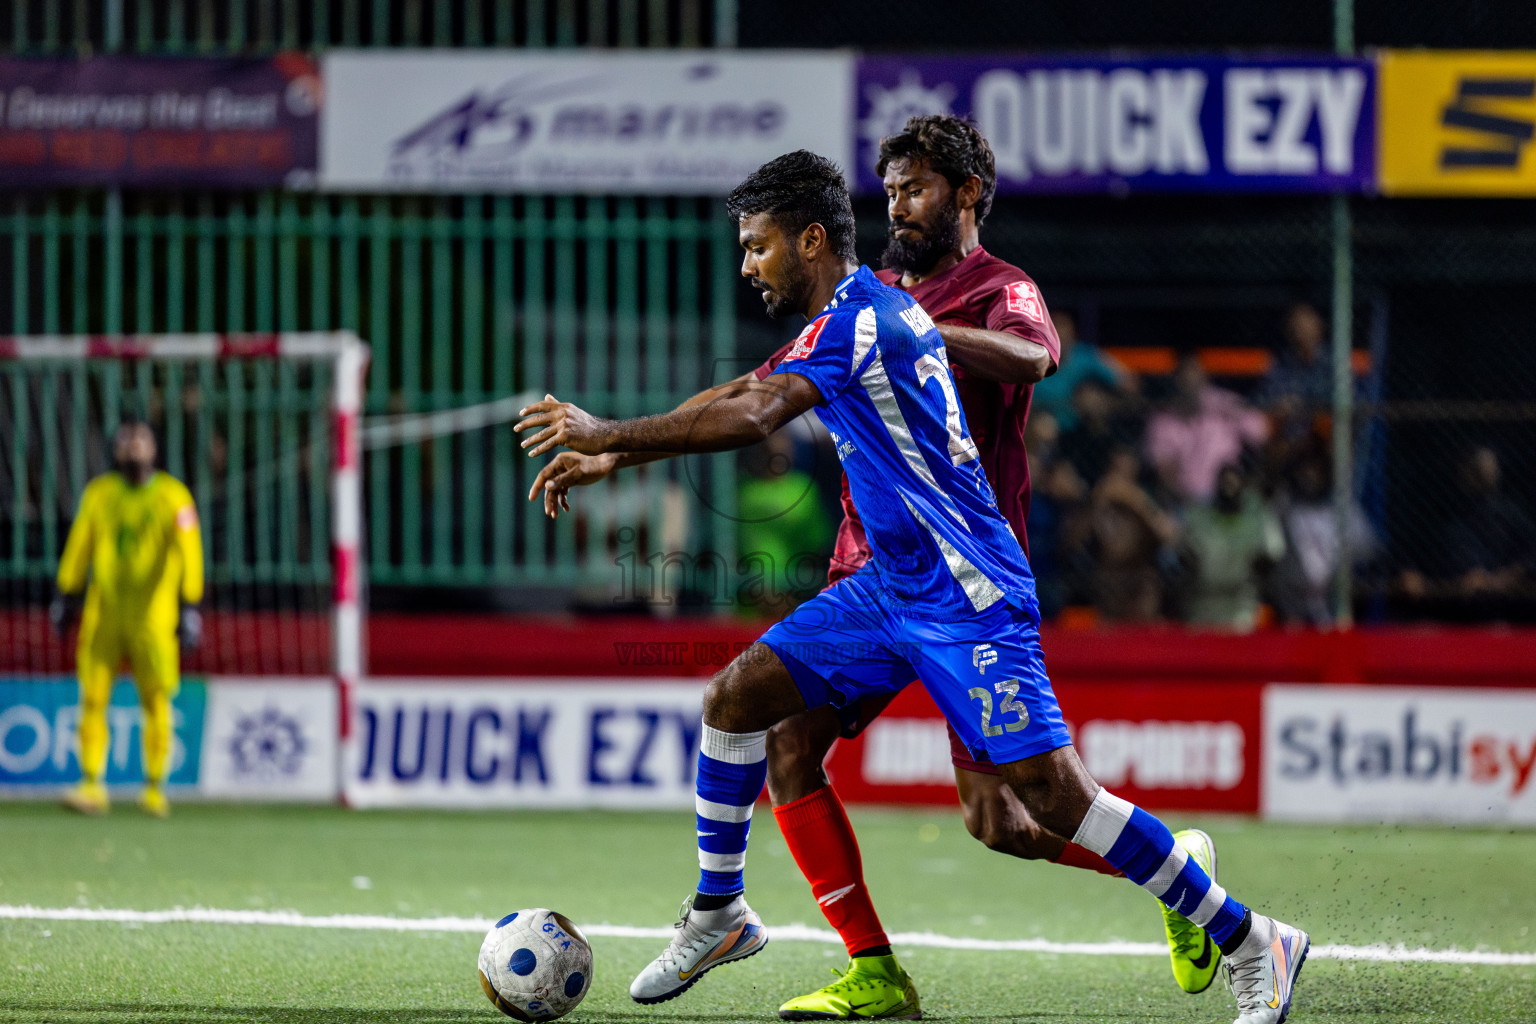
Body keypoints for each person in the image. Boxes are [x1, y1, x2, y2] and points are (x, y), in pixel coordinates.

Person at [515, 150, 1310, 1024]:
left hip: (965, 591)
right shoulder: (849, 316)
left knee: (1043, 799)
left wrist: (607, 427)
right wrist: (616, 452)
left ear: (809, 239)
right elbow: (748, 388)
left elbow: (754, 413)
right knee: (737, 701)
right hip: (886, 587)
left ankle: (1246, 936)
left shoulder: (868, 319)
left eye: (757, 246)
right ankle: (720, 911)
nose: (746, 266)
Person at [50, 420, 204, 818]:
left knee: (156, 700)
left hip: (154, 616)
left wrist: (190, 606)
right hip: (104, 613)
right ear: (116, 450)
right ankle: (90, 784)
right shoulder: (99, 494)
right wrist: (67, 593)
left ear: (154, 448)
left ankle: (154, 788)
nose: (134, 446)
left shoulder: (174, 497)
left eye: (141, 439)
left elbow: (190, 553)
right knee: (93, 697)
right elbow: (80, 543)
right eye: (126, 440)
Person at [1145, 352, 1270, 505]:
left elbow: (1261, 434)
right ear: (1176, 381)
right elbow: (1164, 472)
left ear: (1204, 377)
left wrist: (1231, 411)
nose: (1190, 380)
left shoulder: (1225, 403)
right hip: (1185, 503)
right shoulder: (1163, 419)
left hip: (1229, 498)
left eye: (1195, 373)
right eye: (1185, 376)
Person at [1179, 464, 1286, 632]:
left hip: (1242, 604)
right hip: (1204, 603)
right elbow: (1185, 555)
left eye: (1234, 482)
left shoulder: (1257, 513)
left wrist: (1255, 571)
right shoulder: (1200, 515)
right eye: (1225, 483)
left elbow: (1272, 554)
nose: (1229, 488)